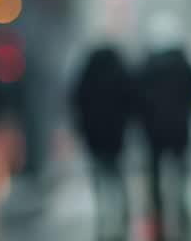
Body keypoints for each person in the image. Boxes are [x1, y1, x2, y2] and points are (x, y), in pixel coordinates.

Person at [135, 15, 191, 239]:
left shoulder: (148, 66)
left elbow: (137, 97)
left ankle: (157, 207)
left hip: (154, 130)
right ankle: (181, 206)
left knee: (155, 172)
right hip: (179, 128)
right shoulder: (184, 65)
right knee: (181, 170)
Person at [71, 44, 134, 240]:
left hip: (95, 136)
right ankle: (123, 211)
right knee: (116, 173)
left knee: (100, 175)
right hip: (115, 135)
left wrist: (81, 129)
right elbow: (131, 102)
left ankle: (103, 211)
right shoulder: (120, 76)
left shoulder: (88, 78)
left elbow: (76, 102)